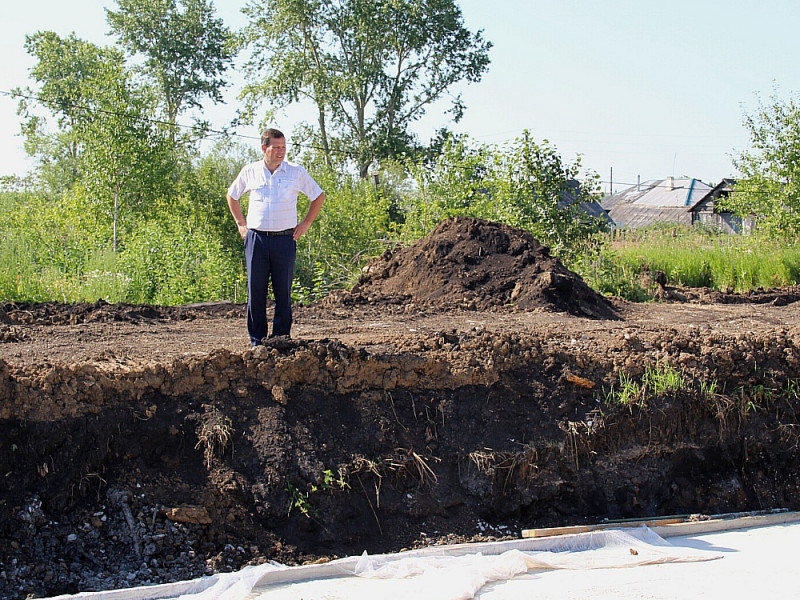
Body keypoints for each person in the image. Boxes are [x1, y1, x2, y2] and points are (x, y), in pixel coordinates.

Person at [226, 128, 325, 346]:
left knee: (283, 292)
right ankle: (257, 342)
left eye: (283, 147)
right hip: (256, 239)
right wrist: (241, 224)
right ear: (264, 148)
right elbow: (232, 196)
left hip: (284, 239)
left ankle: (281, 339)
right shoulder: (251, 171)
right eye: (276, 147)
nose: (281, 152)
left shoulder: (295, 172)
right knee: (256, 292)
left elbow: (318, 196)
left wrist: (306, 223)